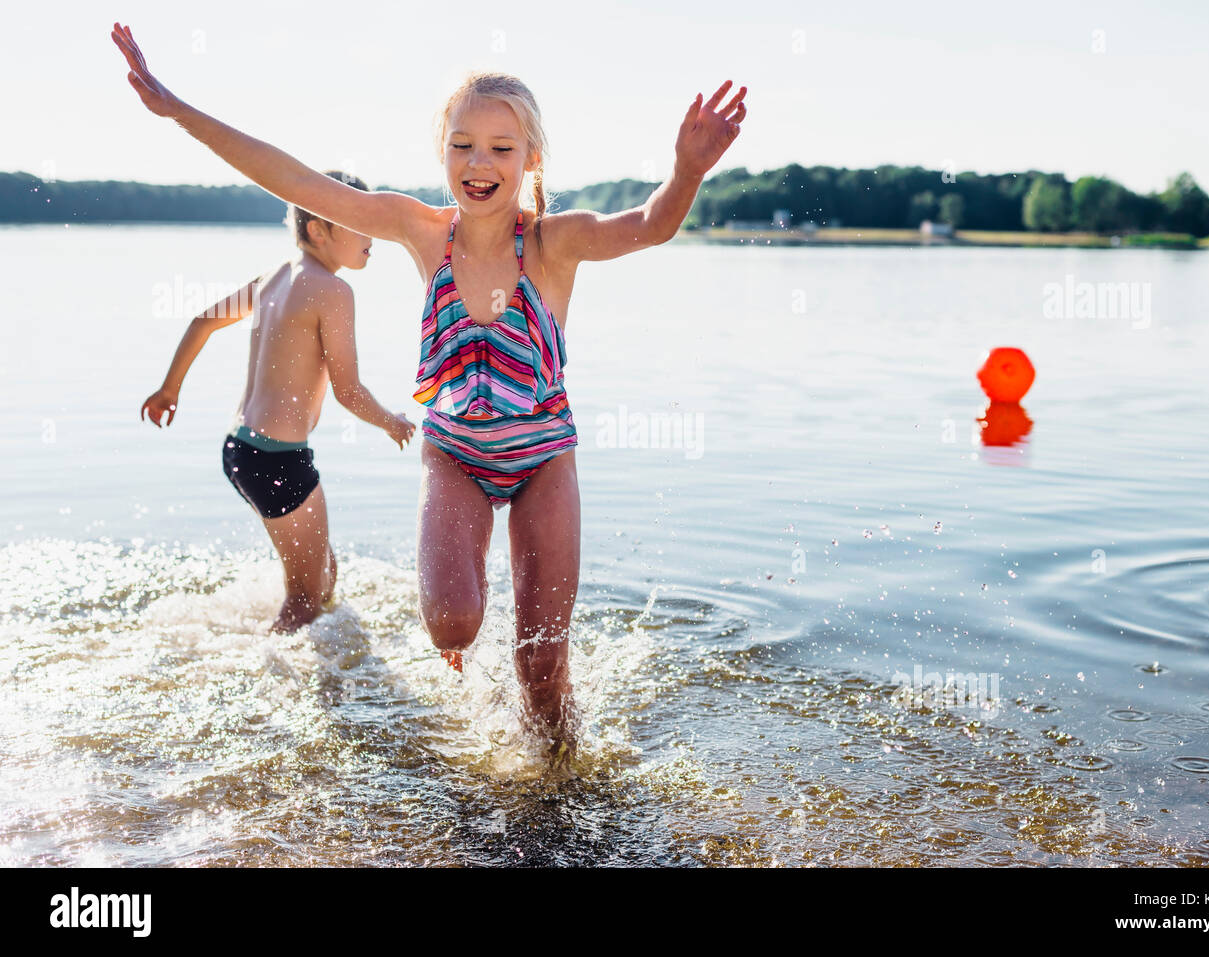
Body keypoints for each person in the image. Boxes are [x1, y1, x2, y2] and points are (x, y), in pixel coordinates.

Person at [112, 21, 747, 754]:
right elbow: (294, 180)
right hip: (454, 454)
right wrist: (177, 109)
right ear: (442, 150)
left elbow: (650, 224)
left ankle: (562, 775)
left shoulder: (553, 242)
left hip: (543, 459)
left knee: (540, 663)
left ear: (530, 158)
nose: (479, 164)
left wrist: (688, 170)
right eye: (462, 145)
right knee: (451, 621)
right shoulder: (419, 230)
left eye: (501, 149)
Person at [139, 168, 417, 633]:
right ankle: (267, 673)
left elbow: (204, 320)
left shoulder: (273, 277)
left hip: (238, 448)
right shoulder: (334, 291)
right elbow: (348, 391)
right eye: (357, 220)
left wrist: (170, 390)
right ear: (318, 229)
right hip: (278, 459)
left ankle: (318, 653)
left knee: (325, 574)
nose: (373, 233)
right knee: (307, 599)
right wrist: (391, 422)